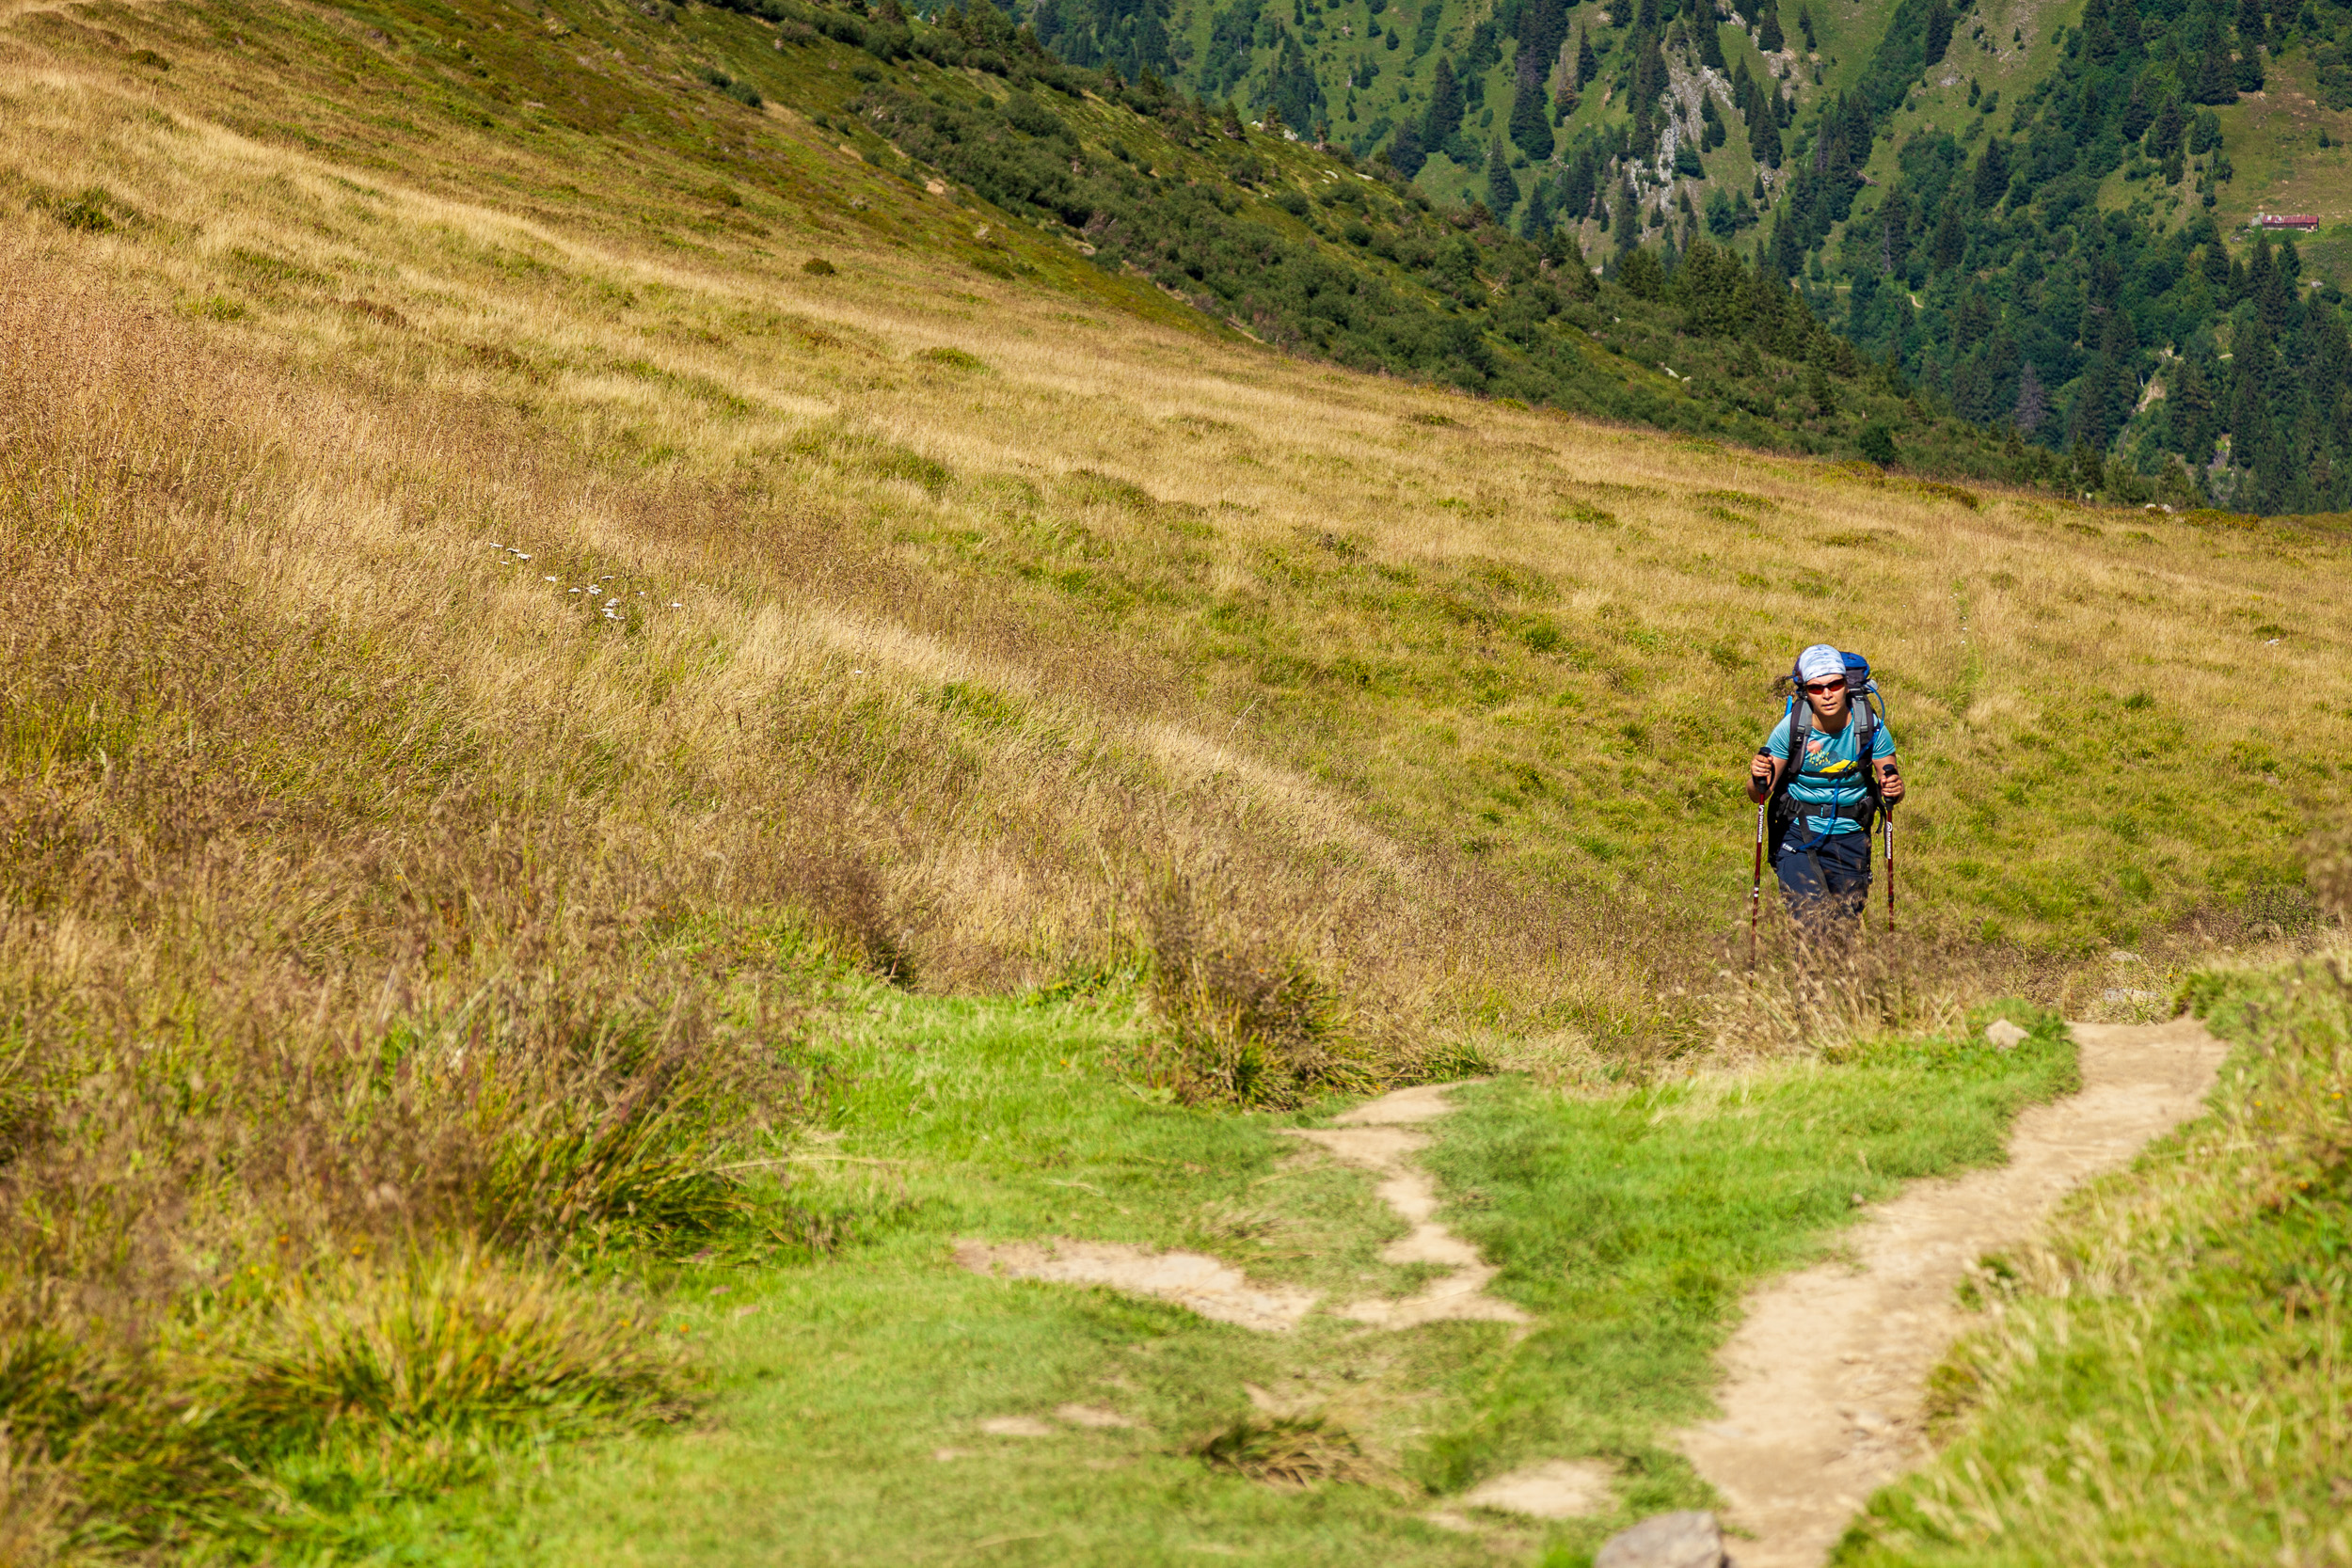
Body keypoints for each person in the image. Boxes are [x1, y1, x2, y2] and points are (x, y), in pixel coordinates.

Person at [1745, 643, 1904, 928]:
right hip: (1797, 835)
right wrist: (1757, 776)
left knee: (1845, 929)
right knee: (1810, 923)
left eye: (1835, 684)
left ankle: (1839, 974)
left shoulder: (1870, 725)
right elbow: (1760, 791)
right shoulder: (1792, 728)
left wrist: (1894, 788)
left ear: (1846, 685)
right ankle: (1807, 973)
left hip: (1851, 836)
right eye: (1817, 688)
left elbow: (1891, 785)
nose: (1828, 694)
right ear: (1806, 691)